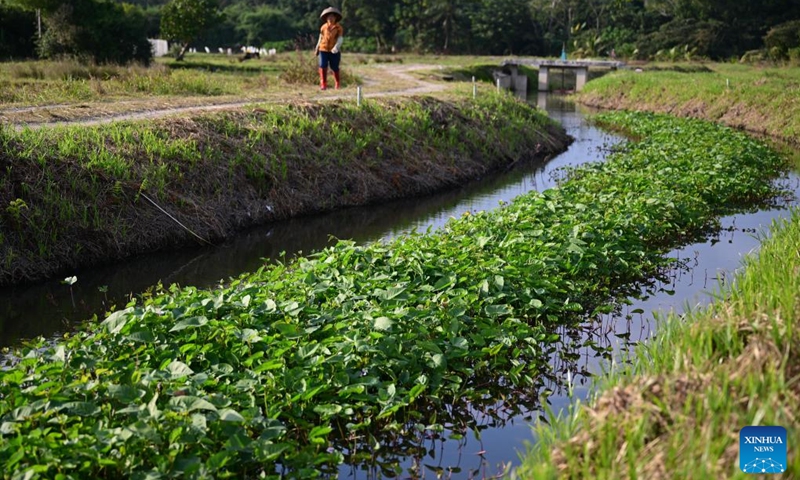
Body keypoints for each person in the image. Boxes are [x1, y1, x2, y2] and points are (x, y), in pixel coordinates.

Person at [314, 7, 344, 90]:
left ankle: (337, 83)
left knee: (334, 67)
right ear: (326, 18)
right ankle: (323, 84)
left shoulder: (339, 28)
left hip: (334, 50)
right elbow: (321, 37)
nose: (330, 18)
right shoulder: (323, 27)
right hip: (323, 49)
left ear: (335, 18)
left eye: (332, 17)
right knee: (322, 65)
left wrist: (336, 47)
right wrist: (317, 47)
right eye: (329, 17)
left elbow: (340, 39)